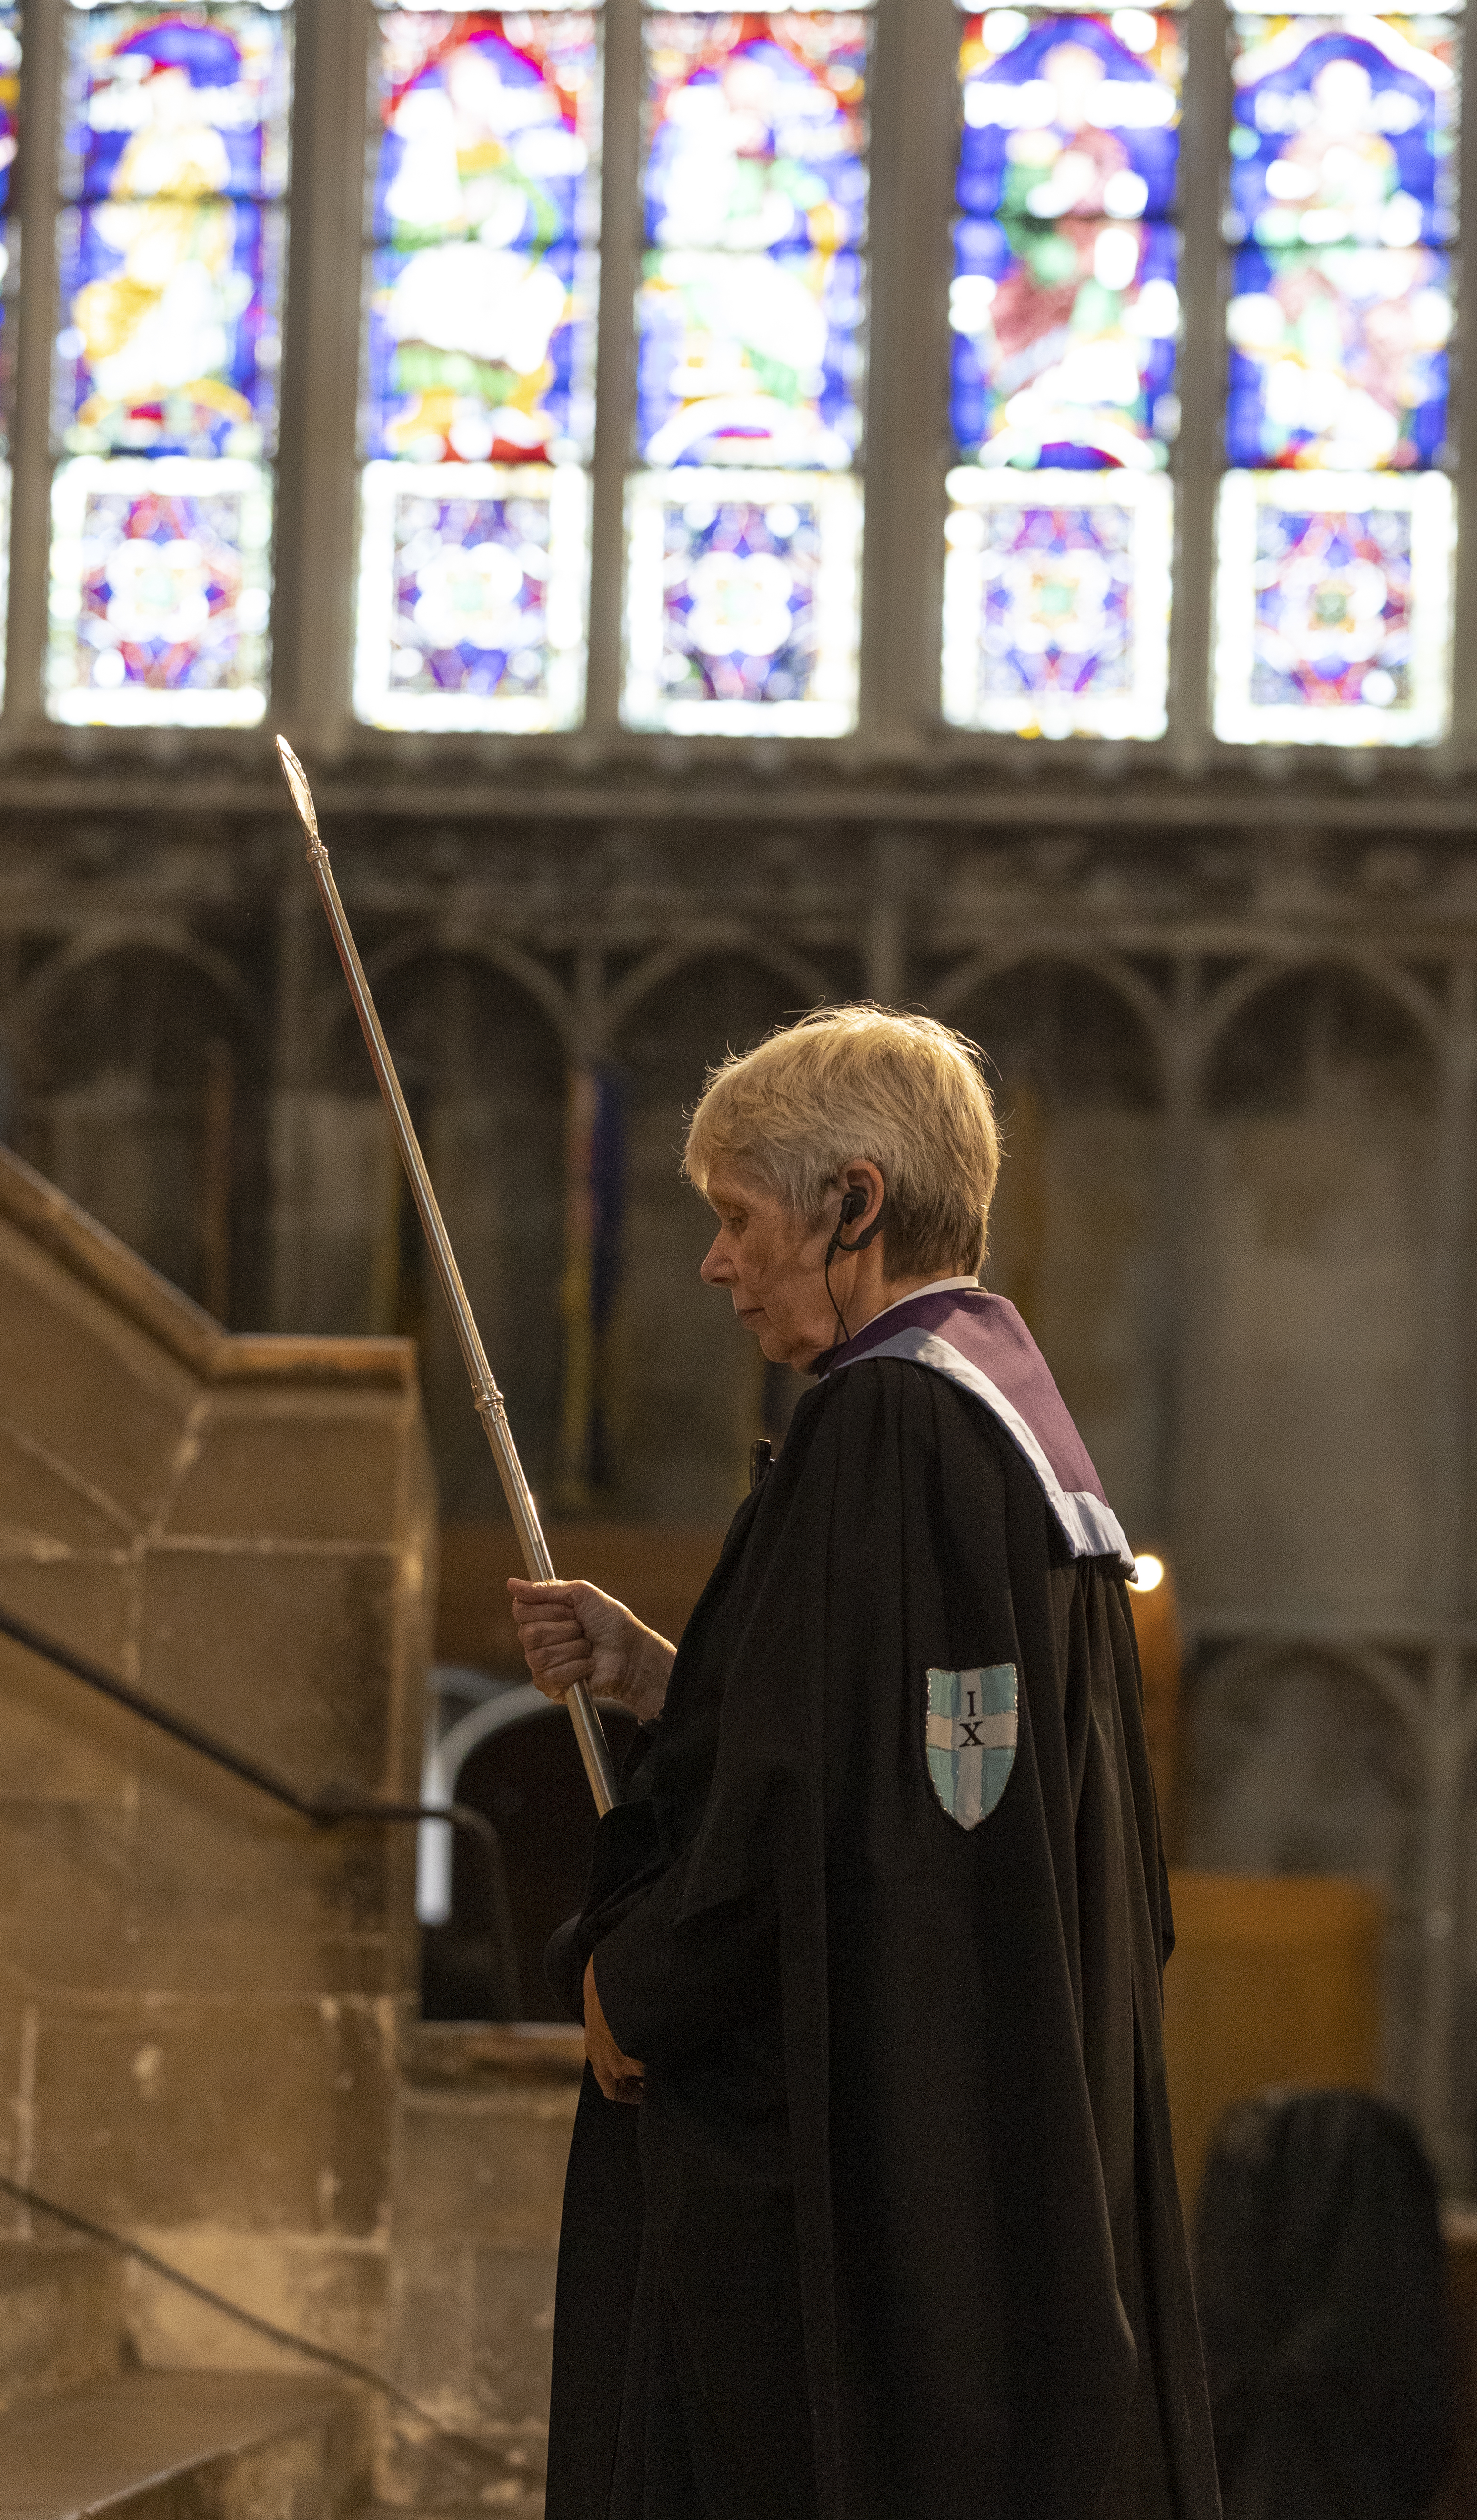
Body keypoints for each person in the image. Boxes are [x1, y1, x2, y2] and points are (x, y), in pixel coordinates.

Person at [510, 1004, 1221, 2520]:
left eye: (736, 1219)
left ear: (853, 1203)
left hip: (849, 2184)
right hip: (983, 2133)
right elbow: (916, 1775)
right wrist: (663, 1677)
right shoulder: (1005, 1431)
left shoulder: (886, 1426)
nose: (715, 1265)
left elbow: (803, 1819)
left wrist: (634, 1985)